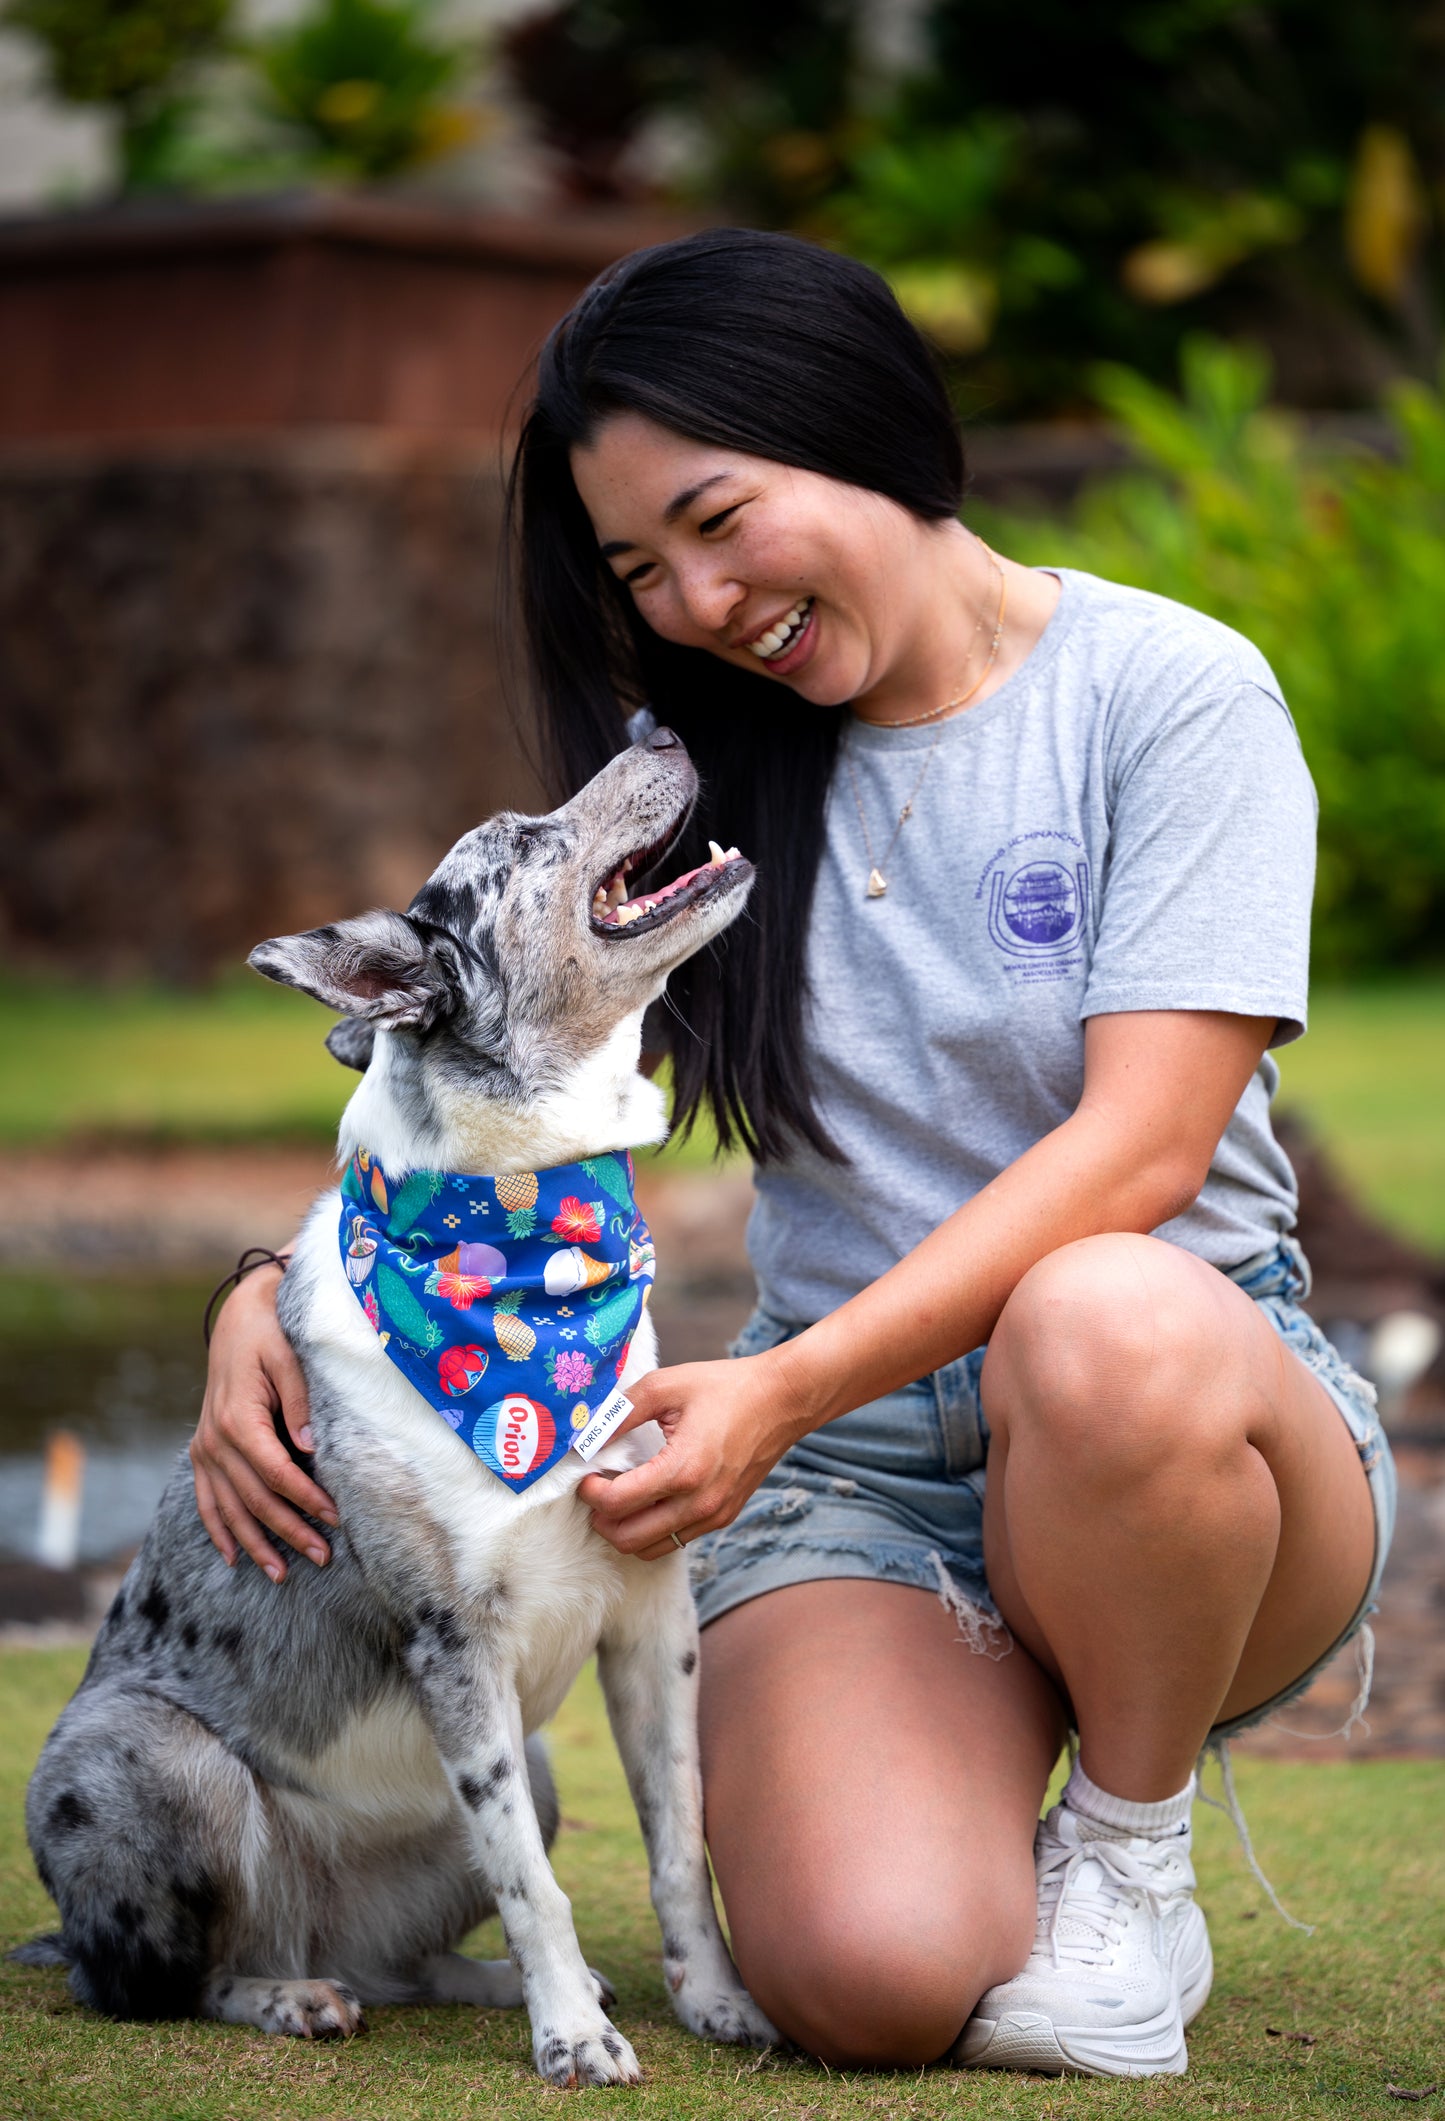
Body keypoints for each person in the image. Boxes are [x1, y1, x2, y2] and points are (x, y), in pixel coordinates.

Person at [191, 229, 1395, 2078]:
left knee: (1094, 1312)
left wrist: (775, 1378)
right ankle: (973, 1779)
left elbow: (1143, 1148)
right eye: (640, 569)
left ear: (852, 422)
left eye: (718, 516)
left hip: (1188, 1420)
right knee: (870, 1971)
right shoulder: (713, 785)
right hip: (858, 1481)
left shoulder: (1170, 695)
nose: (694, 597)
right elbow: (477, 1056)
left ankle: (1131, 1851)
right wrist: (271, 1286)